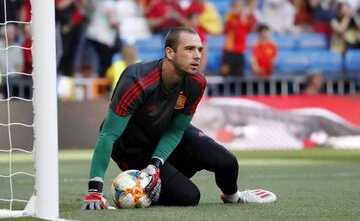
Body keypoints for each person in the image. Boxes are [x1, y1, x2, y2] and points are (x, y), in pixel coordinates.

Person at [81, 27, 276, 210]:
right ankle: (140, 186)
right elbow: (108, 134)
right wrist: (94, 192)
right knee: (189, 197)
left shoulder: (197, 83)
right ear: (170, 53)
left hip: (165, 134)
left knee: (227, 162)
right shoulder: (137, 80)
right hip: (133, 148)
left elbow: (176, 130)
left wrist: (156, 163)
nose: (197, 55)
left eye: (200, 49)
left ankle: (233, 197)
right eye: (189, 49)